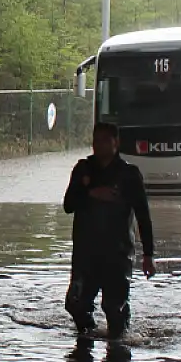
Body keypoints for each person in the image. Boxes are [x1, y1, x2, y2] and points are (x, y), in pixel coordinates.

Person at [62, 121, 155, 338]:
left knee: (115, 308)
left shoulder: (129, 174)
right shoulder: (83, 169)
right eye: (96, 140)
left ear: (116, 142)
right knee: (75, 303)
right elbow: (68, 205)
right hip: (86, 252)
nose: (99, 145)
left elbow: (143, 214)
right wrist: (91, 194)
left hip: (118, 252)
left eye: (105, 140)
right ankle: (87, 338)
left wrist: (148, 254)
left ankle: (118, 347)